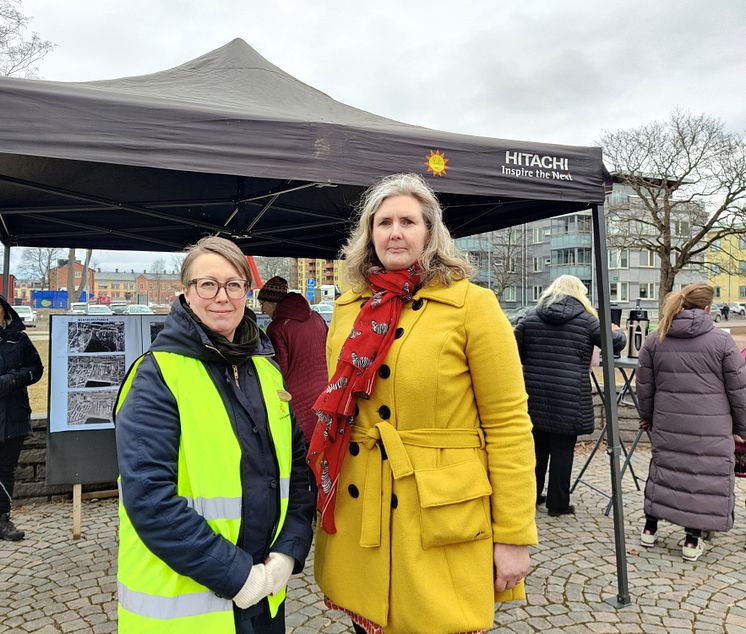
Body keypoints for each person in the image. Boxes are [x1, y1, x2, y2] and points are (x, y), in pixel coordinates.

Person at [308, 173, 538, 634]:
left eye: (408, 221)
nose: (395, 232)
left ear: (430, 233)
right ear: (369, 234)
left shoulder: (473, 305)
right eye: (384, 221)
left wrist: (513, 536)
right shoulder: (350, 306)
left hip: (437, 512)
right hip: (362, 507)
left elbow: (509, 425)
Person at [115, 236, 314, 632]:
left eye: (233, 284)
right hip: (192, 608)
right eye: (208, 284)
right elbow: (150, 499)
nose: (222, 297)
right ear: (187, 294)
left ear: (247, 292)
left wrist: (288, 552)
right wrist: (239, 575)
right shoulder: (156, 377)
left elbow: (298, 470)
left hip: (264, 597)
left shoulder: (266, 371)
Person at [636, 283, 746, 561]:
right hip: (711, 426)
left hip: (668, 421)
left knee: (666, 470)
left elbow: (644, 386)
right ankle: (692, 540)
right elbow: (739, 390)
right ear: (708, 309)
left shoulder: (655, 339)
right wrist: (742, 428)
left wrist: (647, 417)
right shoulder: (721, 342)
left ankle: (649, 529)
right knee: (700, 478)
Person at [514, 275, 627, 517]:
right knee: (563, 449)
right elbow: (613, 344)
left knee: (537, 448)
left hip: (535, 394)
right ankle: (558, 504)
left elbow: (513, 350)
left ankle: (531, 496)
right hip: (569, 395)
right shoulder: (586, 320)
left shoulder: (531, 317)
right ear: (579, 294)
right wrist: (619, 332)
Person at [257, 276, 328, 445]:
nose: (262, 309)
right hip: (324, 394)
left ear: (272, 302)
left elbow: (279, 370)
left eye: (262, 304)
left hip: (297, 401)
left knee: (299, 453)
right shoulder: (316, 317)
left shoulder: (278, 328)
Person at [0, 296, 43, 541]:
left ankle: (3, 519)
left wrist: (13, 379)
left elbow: (36, 370)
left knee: (6, 470)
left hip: (14, 415)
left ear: (5, 312)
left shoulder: (19, 338)